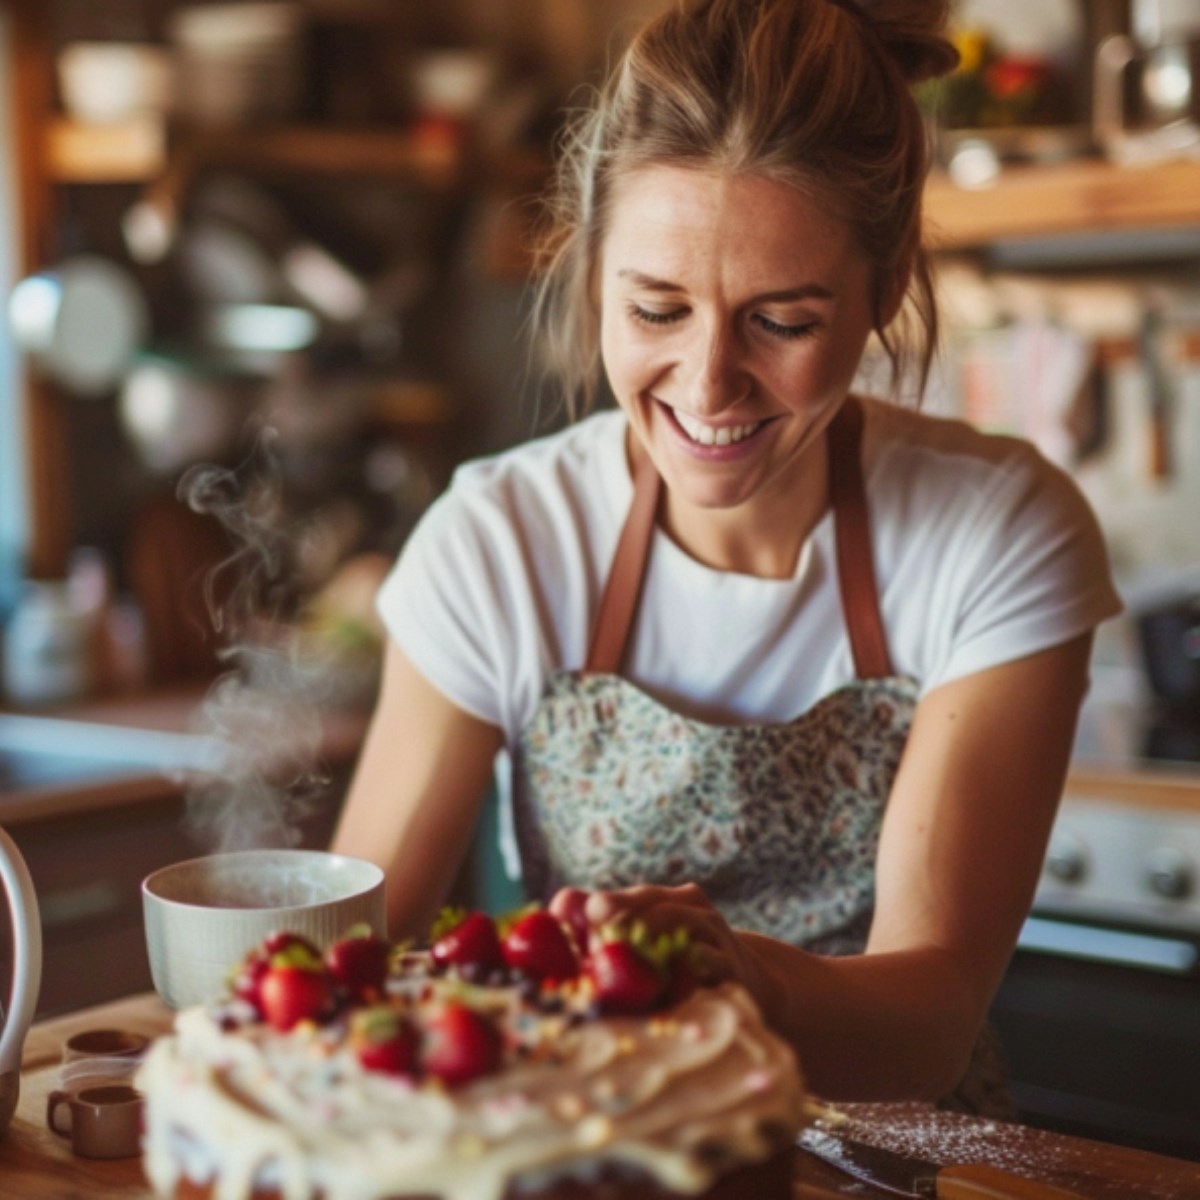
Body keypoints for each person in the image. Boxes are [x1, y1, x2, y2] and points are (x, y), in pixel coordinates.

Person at [333, 0, 1121, 1112]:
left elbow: (934, 1024)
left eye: (782, 323)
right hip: (599, 1156)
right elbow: (351, 962)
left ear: (885, 284)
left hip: (887, 1165)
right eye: (656, 310)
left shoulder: (994, 532)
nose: (707, 388)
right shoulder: (500, 543)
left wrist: (744, 978)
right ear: (590, 261)